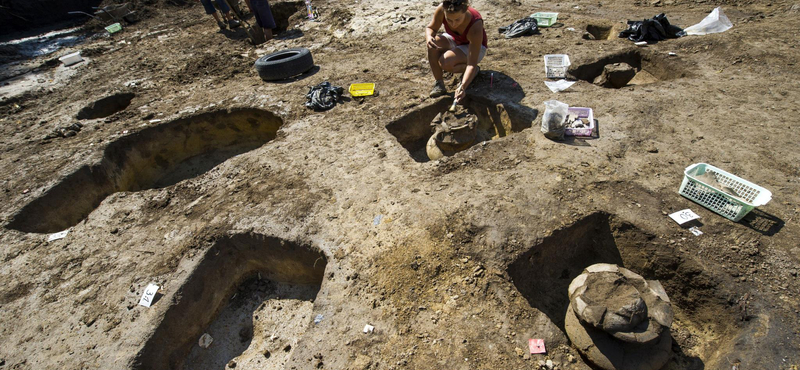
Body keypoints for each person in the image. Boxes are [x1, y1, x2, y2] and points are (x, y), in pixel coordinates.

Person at [425, 0, 487, 101]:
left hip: (475, 47)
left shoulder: (475, 24)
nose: (453, 24)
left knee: (446, 62)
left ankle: (474, 72)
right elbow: (431, 28)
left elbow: (471, 63)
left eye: (458, 20)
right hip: (455, 39)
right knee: (433, 44)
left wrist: (463, 87)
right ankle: (439, 84)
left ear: (465, 11)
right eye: (449, 20)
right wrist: (428, 37)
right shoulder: (441, 9)